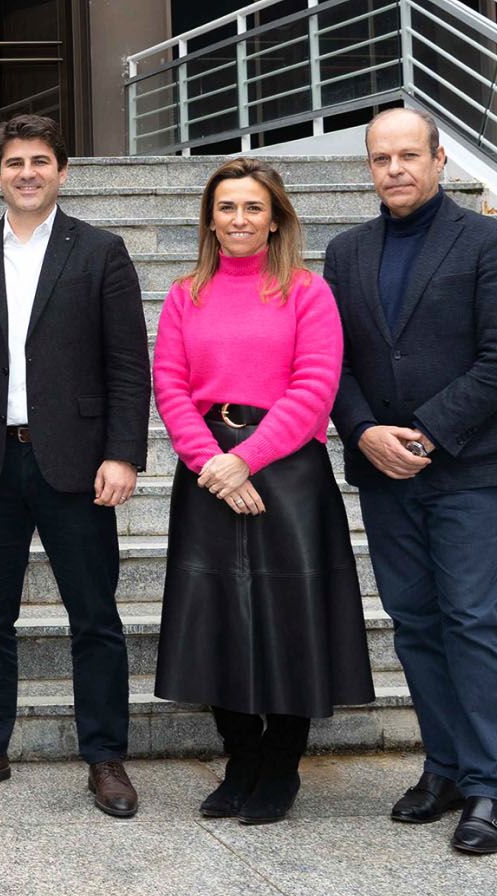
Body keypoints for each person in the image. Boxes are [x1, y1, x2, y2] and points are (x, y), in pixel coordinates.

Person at [0, 114, 147, 816]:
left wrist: (122, 453)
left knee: (94, 616)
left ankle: (105, 756)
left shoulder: (101, 251)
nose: (27, 173)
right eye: (14, 162)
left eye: (40, 161)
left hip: (77, 464)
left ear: (62, 170)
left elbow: (127, 364)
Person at [153, 157, 374, 825]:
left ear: (275, 219)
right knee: (215, 617)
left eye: (252, 207)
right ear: (210, 219)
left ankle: (280, 767)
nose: (239, 219)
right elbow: (170, 387)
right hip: (207, 471)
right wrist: (212, 464)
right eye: (226, 207)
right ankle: (240, 759)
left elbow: (315, 387)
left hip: (287, 472)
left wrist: (245, 459)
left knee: (289, 618)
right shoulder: (185, 294)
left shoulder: (307, 292)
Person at [326, 107, 497, 854]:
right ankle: (445, 768)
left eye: (408, 156)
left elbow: (495, 358)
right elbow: (331, 361)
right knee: (415, 622)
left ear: (437, 159)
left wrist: (424, 433)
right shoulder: (345, 252)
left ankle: (489, 783)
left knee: (472, 622)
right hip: (383, 473)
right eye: (380, 158)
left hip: (468, 470)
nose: (394, 169)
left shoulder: (484, 242)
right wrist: (364, 430)